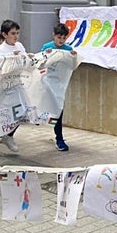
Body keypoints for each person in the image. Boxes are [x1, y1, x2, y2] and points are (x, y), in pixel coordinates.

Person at [0, 19, 32, 155]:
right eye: (13, 33)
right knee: (1, 114)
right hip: (4, 88)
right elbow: (1, 69)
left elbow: (25, 63)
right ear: (4, 35)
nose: (16, 36)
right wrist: (12, 59)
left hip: (17, 85)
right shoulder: (1, 50)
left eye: (17, 33)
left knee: (22, 112)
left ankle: (9, 135)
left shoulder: (20, 46)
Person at [41, 22, 76, 152]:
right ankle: (9, 134)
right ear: (53, 36)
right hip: (46, 83)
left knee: (58, 110)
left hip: (59, 86)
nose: (61, 41)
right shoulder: (47, 47)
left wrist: (73, 57)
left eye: (63, 38)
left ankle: (59, 138)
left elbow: (72, 66)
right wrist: (46, 54)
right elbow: (40, 63)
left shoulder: (68, 49)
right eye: (58, 37)